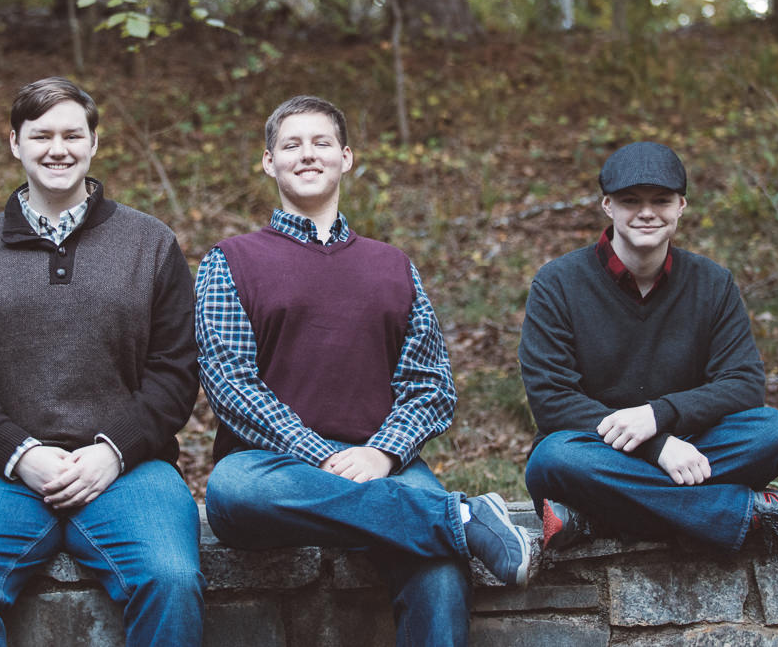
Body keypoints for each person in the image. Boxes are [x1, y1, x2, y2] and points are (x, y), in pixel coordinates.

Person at [196, 95, 534, 646]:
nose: (307, 155)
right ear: (268, 162)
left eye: (322, 143)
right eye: (291, 145)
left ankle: (443, 526)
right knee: (230, 491)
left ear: (346, 158)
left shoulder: (392, 266)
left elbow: (431, 386)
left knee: (440, 571)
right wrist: (321, 456)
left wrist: (380, 453)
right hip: (270, 470)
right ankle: (463, 520)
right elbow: (231, 383)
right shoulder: (231, 260)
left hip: (385, 463)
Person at [0, 76, 204, 647]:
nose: (58, 148)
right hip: (2, 474)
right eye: (41, 134)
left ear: (94, 144)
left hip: (131, 470)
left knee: (171, 579)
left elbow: (176, 371)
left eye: (73, 134)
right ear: (14, 143)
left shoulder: (149, 243)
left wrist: (113, 451)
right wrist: (20, 454)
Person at [519, 141, 778, 554]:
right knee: (553, 459)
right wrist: (656, 449)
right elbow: (553, 402)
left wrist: (660, 417)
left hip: (688, 446)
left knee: (772, 433)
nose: (646, 212)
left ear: (681, 206)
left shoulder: (712, 283)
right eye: (630, 200)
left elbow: (744, 384)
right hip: (595, 451)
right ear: (607, 205)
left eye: (661, 200)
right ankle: (750, 512)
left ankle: (596, 516)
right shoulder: (557, 284)